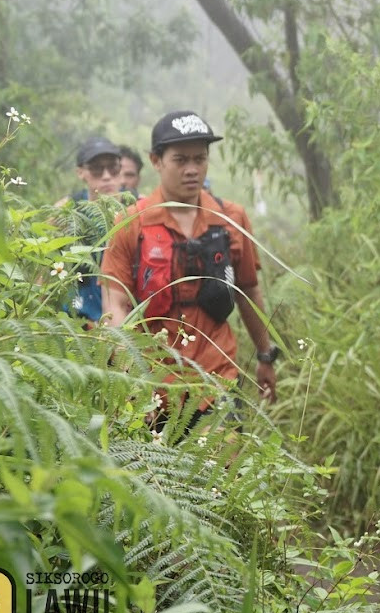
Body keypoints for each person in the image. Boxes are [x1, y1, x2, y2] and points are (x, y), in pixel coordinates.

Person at [99, 111, 278, 435]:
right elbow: (115, 305)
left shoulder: (231, 218)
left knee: (224, 466)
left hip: (217, 380)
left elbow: (248, 291)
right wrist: (130, 379)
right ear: (156, 161)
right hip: (152, 387)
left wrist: (266, 356)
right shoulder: (130, 223)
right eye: (180, 160)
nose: (192, 169)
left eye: (200, 159)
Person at [57, 135, 124, 325]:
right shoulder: (66, 211)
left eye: (113, 167)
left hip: (125, 319)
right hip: (77, 321)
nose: (106, 175)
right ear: (80, 172)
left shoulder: (137, 207)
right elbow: (44, 268)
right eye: (96, 169)